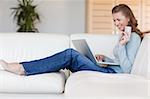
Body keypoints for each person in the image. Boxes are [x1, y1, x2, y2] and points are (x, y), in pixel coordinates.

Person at [0, 4, 142, 76]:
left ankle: (22, 68)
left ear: (128, 18)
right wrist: (105, 58)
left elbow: (127, 69)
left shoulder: (133, 38)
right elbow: (119, 61)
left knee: (70, 54)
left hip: (113, 75)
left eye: (119, 19)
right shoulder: (123, 35)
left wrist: (123, 45)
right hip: (109, 69)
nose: (116, 23)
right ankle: (25, 67)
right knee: (70, 56)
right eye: (114, 20)